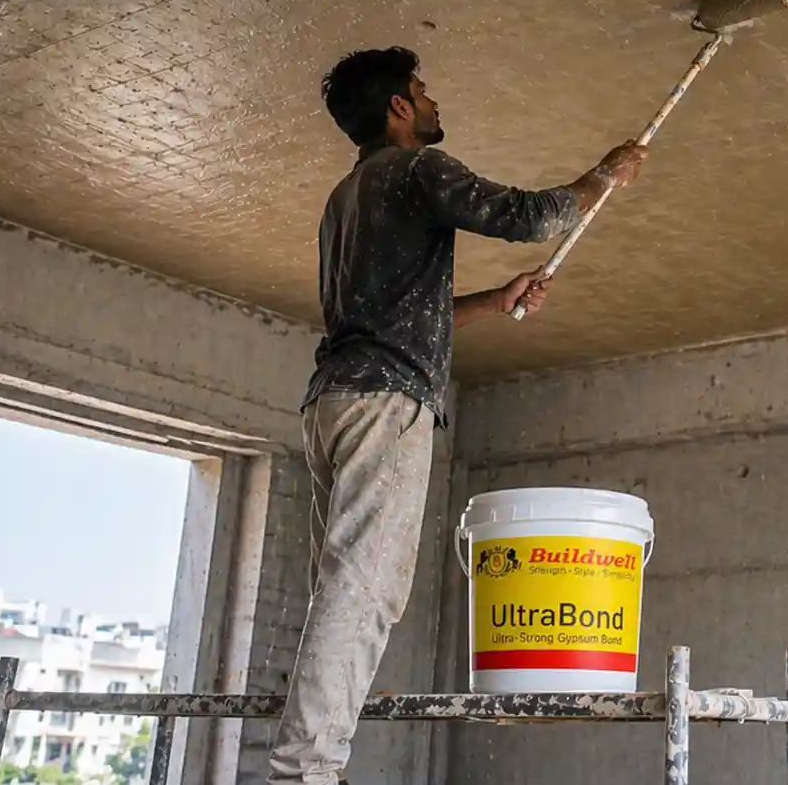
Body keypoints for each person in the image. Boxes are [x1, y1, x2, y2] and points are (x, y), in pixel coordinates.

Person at [267, 46, 648, 783]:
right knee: (365, 588)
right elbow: (529, 216)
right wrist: (603, 177)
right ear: (398, 110)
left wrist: (496, 300)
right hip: (385, 404)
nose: (434, 102)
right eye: (422, 91)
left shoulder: (345, 199)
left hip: (335, 401)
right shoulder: (416, 169)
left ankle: (308, 755)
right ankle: (304, 770)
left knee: (343, 584)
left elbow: (404, 315)